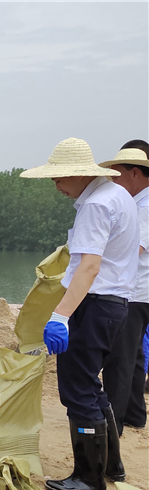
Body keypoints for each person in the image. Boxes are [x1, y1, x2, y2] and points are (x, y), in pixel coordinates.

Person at [21, 137, 139, 490]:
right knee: (91, 386)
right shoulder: (118, 195)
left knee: (77, 389)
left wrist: (60, 315)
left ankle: (88, 477)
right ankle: (110, 466)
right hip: (115, 303)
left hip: (96, 303)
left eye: (58, 178)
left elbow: (89, 267)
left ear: (78, 173)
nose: (56, 186)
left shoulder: (97, 205)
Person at [100, 142, 149, 434]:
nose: (113, 180)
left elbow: (134, 248)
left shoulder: (143, 207)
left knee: (119, 357)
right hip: (140, 290)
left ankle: (113, 422)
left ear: (134, 173)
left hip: (135, 290)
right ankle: (134, 412)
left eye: (116, 174)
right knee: (134, 355)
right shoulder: (138, 202)